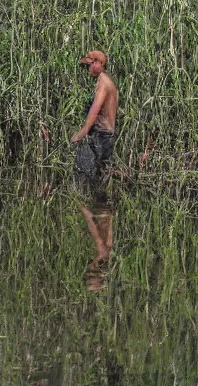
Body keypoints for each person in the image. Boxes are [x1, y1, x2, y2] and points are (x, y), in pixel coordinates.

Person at [71, 50, 118, 273]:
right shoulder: (102, 80)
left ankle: (89, 204)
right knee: (99, 182)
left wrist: (82, 132)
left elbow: (94, 110)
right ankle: (99, 206)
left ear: (99, 63)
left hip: (102, 136)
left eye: (90, 65)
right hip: (103, 136)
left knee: (90, 180)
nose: (89, 69)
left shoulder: (104, 83)